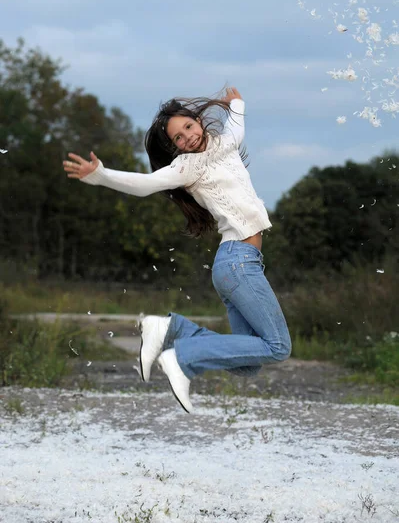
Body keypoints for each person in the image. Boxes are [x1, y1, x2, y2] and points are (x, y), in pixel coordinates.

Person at [63, 87, 291, 413]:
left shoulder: (225, 144)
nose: (186, 137)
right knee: (278, 346)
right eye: (178, 139)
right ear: (175, 148)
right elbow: (145, 184)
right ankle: (181, 356)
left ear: (198, 121)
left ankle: (173, 329)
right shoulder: (186, 167)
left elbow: (236, 126)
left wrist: (236, 102)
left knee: (248, 363)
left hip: (240, 264)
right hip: (238, 263)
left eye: (187, 127)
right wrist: (101, 176)